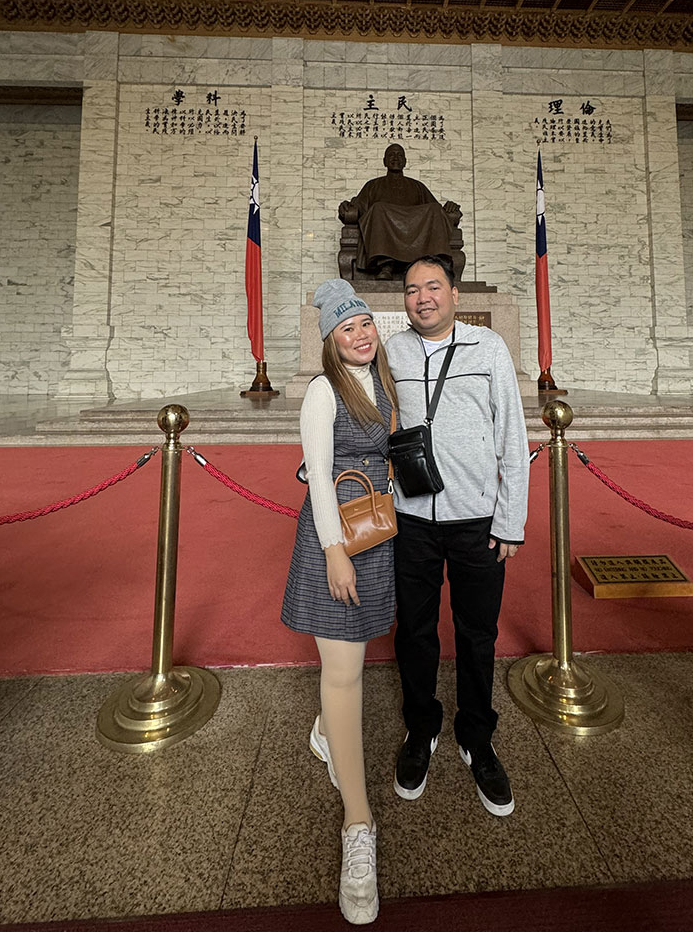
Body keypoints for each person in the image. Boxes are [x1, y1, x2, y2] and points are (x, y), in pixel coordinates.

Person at [385, 256, 530, 817]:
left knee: (477, 634)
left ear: (453, 292)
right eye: (412, 289)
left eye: (433, 287)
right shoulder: (391, 352)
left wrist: (509, 521)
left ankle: (477, 735)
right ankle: (421, 730)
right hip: (411, 519)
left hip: (477, 519)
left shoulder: (486, 348)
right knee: (415, 631)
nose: (422, 297)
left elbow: (512, 436)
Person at [282, 278, 399, 924]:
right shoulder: (325, 391)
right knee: (346, 671)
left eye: (364, 324)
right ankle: (359, 824)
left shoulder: (385, 386)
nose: (359, 334)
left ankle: (328, 732)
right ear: (330, 341)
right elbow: (319, 473)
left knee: (354, 662)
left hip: (377, 532)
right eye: (346, 328)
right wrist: (332, 550)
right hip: (338, 539)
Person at [339, 143, 462, 280]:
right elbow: (357, 208)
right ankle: (386, 265)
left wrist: (451, 207)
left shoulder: (417, 186)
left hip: (415, 229)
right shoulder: (372, 185)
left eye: (399, 155)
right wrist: (346, 207)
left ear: (405, 162)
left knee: (433, 209)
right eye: (391, 155)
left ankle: (433, 266)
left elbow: (436, 210)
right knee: (378, 208)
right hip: (384, 222)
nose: (396, 158)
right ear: (384, 161)